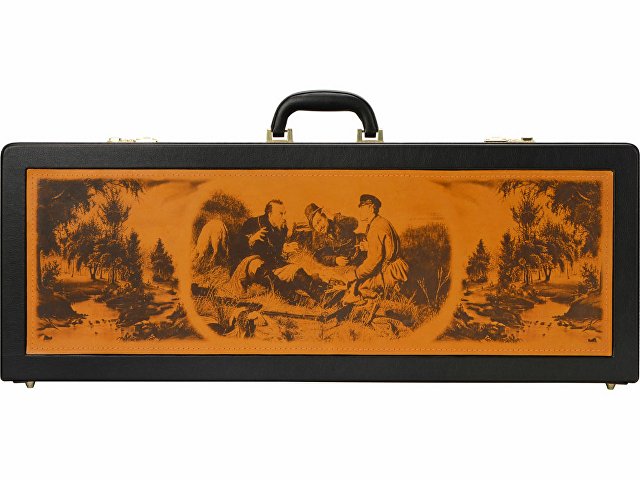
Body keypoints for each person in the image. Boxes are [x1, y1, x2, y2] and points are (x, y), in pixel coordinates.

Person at [230, 199, 329, 304]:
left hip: (271, 267)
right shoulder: (252, 223)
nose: (284, 217)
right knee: (256, 263)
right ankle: (296, 298)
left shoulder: (281, 229)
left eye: (284, 213)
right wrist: (251, 240)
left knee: (296, 270)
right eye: (281, 214)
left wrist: (284, 249)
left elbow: (275, 253)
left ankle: (323, 297)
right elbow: (235, 249)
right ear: (270, 214)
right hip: (248, 269)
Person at [342, 194, 409, 296]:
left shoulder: (375, 228)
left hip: (392, 273)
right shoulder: (380, 221)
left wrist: (355, 274)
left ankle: (393, 293)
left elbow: (373, 261)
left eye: (362, 208)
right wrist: (369, 247)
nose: (360, 211)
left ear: (371, 208)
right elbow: (386, 248)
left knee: (358, 287)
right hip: (398, 267)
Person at [304, 202, 363, 267]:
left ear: (324, 216)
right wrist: (335, 260)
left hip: (360, 251)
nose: (319, 227)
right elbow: (318, 256)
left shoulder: (337, 220)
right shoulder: (317, 236)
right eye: (315, 226)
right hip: (348, 264)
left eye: (319, 221)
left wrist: (333, 217)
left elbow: (354, 223)